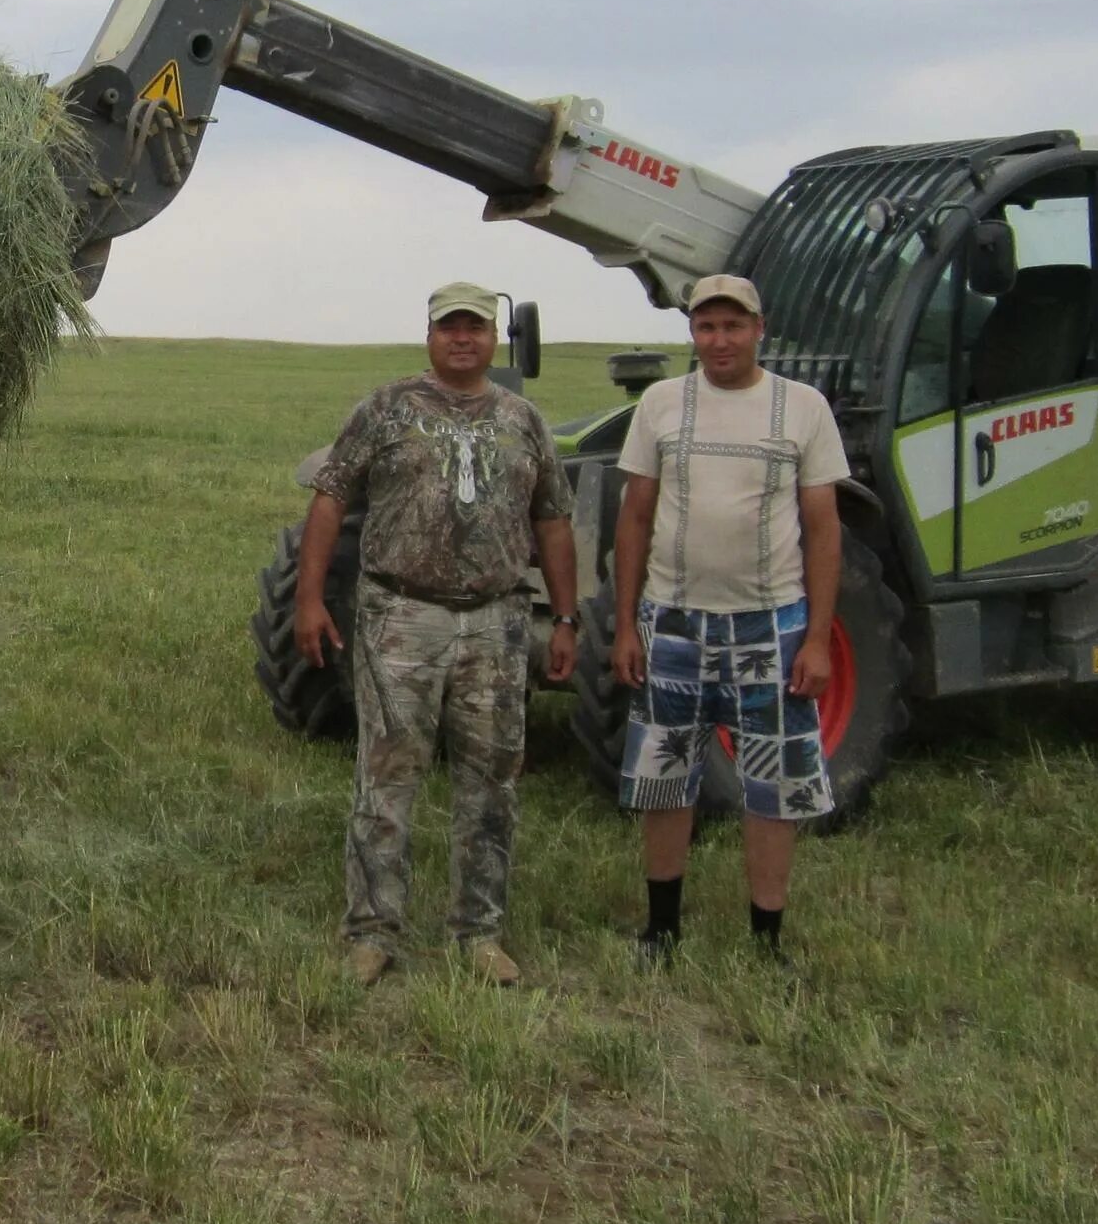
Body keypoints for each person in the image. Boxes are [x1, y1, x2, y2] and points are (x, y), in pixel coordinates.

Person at [297, 281, 581, 988]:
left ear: (493, 338)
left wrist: (568, 617)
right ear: (429, 334)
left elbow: (552, 520)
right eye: (450, 326)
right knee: (386, 777)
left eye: (476, 327)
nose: (463, 338)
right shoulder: (387, 409)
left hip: (495, 621)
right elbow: (331, 498)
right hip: (400, 617)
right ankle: (371, 931)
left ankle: (479, 933)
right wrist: (309, 598)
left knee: (491, 783)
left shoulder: (523, 419)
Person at [609, 272, 850, 966]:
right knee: (664, 775)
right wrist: (627, 625)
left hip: (769, 626)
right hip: (674, 623)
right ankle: (661, 931)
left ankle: (767, 939)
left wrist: (816, 638)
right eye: (706, 327)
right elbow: (635, 516)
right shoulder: (660, 405)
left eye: (733, 326)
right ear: (692, 332)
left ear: (759, 328)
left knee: (773, 786)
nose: (719, 340)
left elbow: (824, 529)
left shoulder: (801, 409)